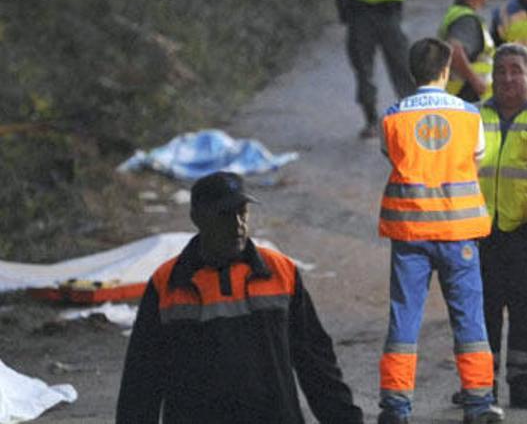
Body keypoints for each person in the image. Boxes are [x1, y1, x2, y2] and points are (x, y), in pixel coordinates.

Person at [116, 172, 363, 424]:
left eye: (242, 212)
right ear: (197, 218)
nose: (238, 225)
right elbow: (142, 379)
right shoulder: (167, 284)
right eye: (224, 215)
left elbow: (316, 364)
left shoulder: (280, 271)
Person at [377, 38, 504, 424]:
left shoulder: (394, 116)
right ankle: (479, 404)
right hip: (458, 233)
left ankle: (396, 409)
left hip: (410, 233)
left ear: (412, 72)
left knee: (404, 318)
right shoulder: (468, 115)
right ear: (447, 71)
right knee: (469, 318)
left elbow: (391, 155)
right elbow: (477, 157)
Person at [451, 44, 527, 409]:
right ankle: (481, 385)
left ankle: (523, 384)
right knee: (482, 310)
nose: (508, 78)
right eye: (501, 71)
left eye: (516, 71)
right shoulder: (472, 116)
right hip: (481, 231)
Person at [336, 0, 416, 138]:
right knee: (369, 69)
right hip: (365, 14)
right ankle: (373, 119)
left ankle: (401, 117)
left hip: (376, 14)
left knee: (393, 68)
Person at [438, 0, 495, 103]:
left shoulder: (454, 14)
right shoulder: (466, 20)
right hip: (468, 98)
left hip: (459, 98)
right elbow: (454, 50)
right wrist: (476, 81)